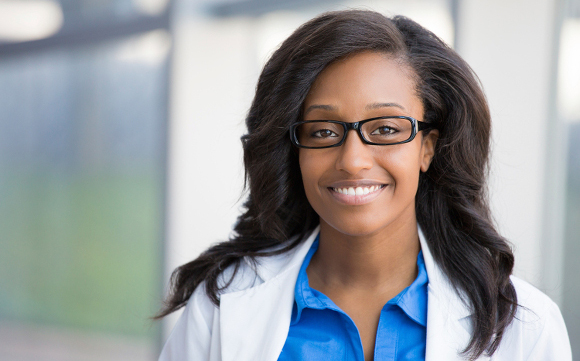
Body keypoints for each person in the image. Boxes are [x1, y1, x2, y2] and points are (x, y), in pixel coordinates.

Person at [156, 10, 572, 361]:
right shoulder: (221, 306)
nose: (353, 160)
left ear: (427, 148)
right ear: (294, 151)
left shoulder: (525, 327)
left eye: (386, 129)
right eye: (321, 132)